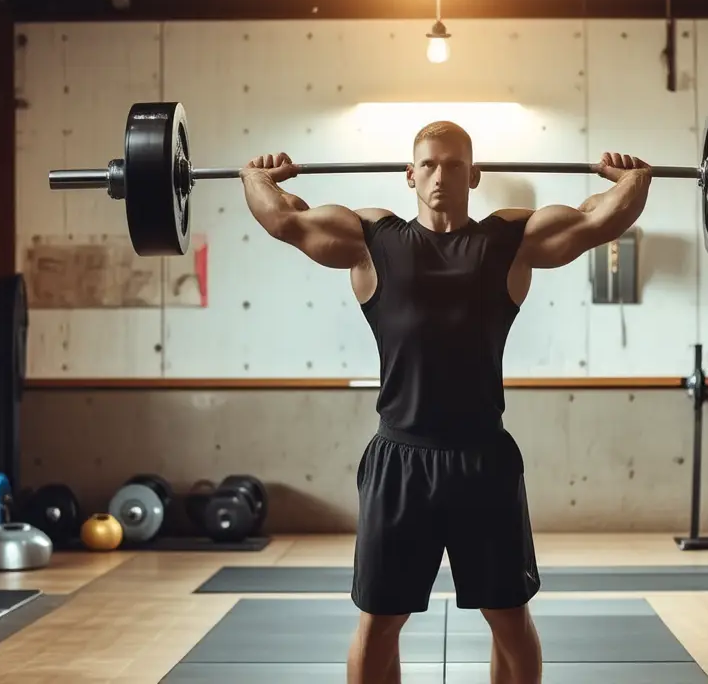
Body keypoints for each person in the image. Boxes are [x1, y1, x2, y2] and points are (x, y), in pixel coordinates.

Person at [239, 122, 652, 684]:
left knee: (508, 617)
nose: (440, 175)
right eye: (429, 164)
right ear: (409, 174)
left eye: (454, 164)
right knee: (380, 623)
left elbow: (596, 219)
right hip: (398, 462)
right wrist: (255, 177)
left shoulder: (508, 240)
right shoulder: (372, 239)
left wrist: (633, 179)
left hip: (484, 460)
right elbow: (285, 218)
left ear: (475, 174)